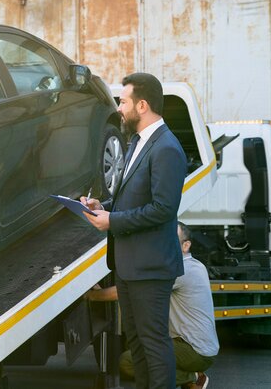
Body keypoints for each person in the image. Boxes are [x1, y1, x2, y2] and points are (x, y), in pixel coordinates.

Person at [82, 72, 187, 389]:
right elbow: (133, 197)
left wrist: (112, 222)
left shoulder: (166, 148)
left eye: (123, 101)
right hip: (131, 267)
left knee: (153, 346)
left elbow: (162, 209)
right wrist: (105, 207)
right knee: (139, 346)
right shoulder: (138, 143)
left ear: (142, 105)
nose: (119, 107)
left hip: (151, 268)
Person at [86, 222, 219, 389]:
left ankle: (192, 376)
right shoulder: (192, 265)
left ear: (186, 245)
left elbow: (131, 290)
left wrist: (94, 295)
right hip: (189, 343)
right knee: (138, 344)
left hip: (194, 350)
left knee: (130, 362)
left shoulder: (182, 269)